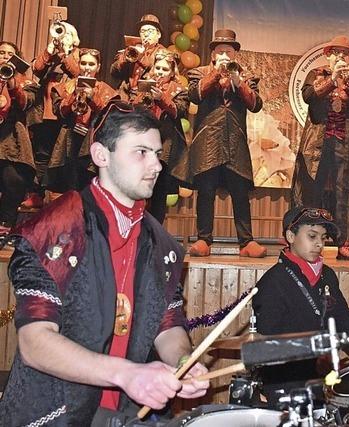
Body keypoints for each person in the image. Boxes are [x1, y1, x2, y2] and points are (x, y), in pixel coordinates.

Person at [0, 101, 209, 426]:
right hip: (55, 414)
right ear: (101, 155)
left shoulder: (162, 244)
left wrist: (184, 361)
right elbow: (35, 342)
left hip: (125, 413)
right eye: (141, 152)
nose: (156, 165)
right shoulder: (52, 231)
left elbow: (168, 324)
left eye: (157, 153)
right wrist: (126, 374)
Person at [253, 206, 349, 404]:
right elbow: (266, 343)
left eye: (324, 237)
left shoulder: (327, 275)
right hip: (287, 385)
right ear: (290, 236)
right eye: (312, 236)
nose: (320, 243)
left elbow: (342, 317)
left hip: (324, 379)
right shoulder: (272, 282)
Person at [186, 29, 266, 258]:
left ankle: (246, 242)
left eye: (228, 52)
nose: (224, 55)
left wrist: (238, 82)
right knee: (206, 190)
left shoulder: (246, 76)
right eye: (220, 51)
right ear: (213, 55)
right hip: (208, 139)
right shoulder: (199, 72)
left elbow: (255, 104)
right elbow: (195, 95)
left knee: (240, 191)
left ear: (235, 55)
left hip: (235, 141)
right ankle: (203, 239)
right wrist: (215, 74)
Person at [290, 35, 349, 261]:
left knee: (344, 195)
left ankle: (344, 243)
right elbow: (308, 96)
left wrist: (348, 84)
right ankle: (308, 243)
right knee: (312, 194)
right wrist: (333, 80)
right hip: (317, 143)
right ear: (328, 54)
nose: (341, 56)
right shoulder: (316, 74)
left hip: (344, 145)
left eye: (345, 53)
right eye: (337, 52)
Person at [25, 21, 81, 208]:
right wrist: (49, 50)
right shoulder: (50, 55)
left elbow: (77, 73)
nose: (61, 38)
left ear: (73, 39)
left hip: (65, 114)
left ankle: (62, 196)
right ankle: (37, 193)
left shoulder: (78, 55)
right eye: (59, 34)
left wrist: (65, 54)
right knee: (41, 154)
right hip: (44, 112)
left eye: (66, 35)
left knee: (62, 157)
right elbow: (37, 69)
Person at [48, 48, 118, 193]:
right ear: (79, 64)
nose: (87, 68)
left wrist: (93, 98)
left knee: (89, 186)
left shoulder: (106, 90)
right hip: (68, 140)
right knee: (68, 187)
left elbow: (110, 116)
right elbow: (58, 111)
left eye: (91, 64)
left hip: (93, 141)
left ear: (98, 67)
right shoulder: (65, 87)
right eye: (84, 63)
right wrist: (74, 95)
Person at [131, 48, 189, 224]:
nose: (160, 73)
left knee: (159, 191)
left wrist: (162, 97)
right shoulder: (142, 86)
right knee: (138, 188)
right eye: (158, 68)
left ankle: (155, 232)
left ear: (172, 72)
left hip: (165, 146)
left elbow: (180, 112)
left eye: (165, 69)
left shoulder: (179, 89)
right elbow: (132, 111)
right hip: (142, 144)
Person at [0, 41, 36, 242]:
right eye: (2, 53)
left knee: (13, 181)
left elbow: (26, 104)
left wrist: (14, 86)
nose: (5, 56)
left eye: (10, 54)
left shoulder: (25, 81)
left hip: (12, 139)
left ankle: (5, 225)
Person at [110, 14, 166, 102]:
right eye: (143, 31)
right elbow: (114, 73)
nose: (146, 34)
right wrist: (126, 58)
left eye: (150, 31)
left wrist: (141, 56)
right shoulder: (132, 49)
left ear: (158, 34)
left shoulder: (164, 54)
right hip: (124, 97)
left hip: (146, 100)